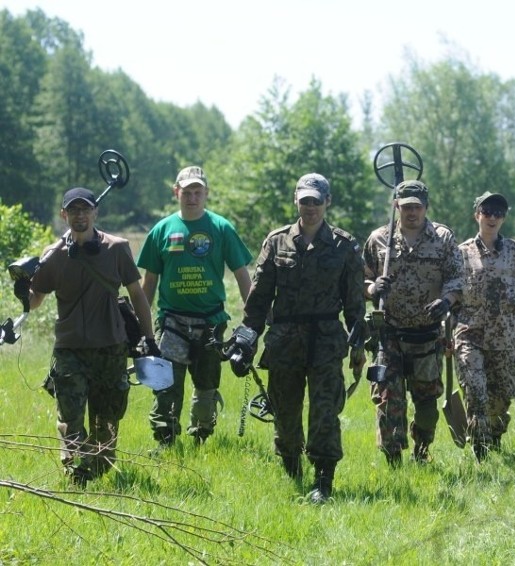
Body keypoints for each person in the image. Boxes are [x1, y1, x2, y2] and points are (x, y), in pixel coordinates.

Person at [230, 173, 366, 504]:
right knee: (285, 411)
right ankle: (292, 467)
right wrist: (247, 337)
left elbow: (354, 303)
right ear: (296, 201)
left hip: (325, 340)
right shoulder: (276, 242)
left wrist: (359, 343)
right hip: (285, 340)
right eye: (305, 201)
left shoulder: (344, 246)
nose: (310, 208)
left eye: (316, 201)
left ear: (327, 202)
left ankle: (323, 478)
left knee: (324, 410)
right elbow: (259, 298)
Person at [18, 187, 158, 486]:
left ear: (95, 212)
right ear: (63, 214)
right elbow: (35, 300)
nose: (80, 215)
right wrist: (22, 291)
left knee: (106, 429)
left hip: (111, 349)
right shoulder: (53, 255)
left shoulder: (117, 248)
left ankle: (92, 470)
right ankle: (75, 476)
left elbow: (137, 294)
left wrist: (150, 338)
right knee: (71, 421)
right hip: (69, 350)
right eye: (74, 210)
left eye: (86, 209)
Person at [136, 165, 253, 447]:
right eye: (186, 192)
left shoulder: (222, 228)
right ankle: (165, 440)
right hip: (172, 322)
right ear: (177, 192)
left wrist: (252, 320)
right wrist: (139, 326)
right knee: (165, 385)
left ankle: (200, 436)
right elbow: (148, 281)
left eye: (197, 192)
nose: (192, 197)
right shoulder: (161, 230)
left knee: (206, 386)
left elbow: (242, 275)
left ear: (206, 194)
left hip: (211, 323)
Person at [363, 179, 464, 467]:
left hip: (427, 334)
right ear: (397, 206)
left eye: (417, 207)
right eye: (406, 207)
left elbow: (457, 278)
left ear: (425, 207)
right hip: (389, 334)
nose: (411, 213)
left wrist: (446, 300)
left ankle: (422, 450)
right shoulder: (379, 239)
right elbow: (361, 277)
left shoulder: (443, 238)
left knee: (426, 404)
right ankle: (393, 458)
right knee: (386, 398)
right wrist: (372, 289)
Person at [454, 192, 515, 462]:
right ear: (477, 215)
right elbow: (452, 294)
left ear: (504, 217)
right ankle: (480, 447)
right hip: (470, 333)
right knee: (475, 390)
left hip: (504, 336)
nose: (492, 217)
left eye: (498, 213)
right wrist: (445, 334)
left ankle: (494, 437)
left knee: (502, 394)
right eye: (487, 212)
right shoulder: (461, 253)